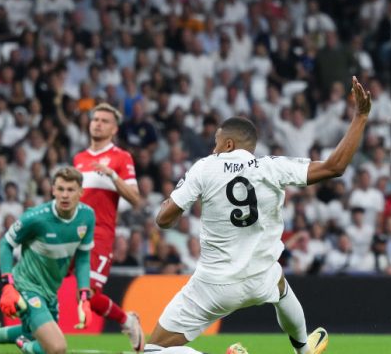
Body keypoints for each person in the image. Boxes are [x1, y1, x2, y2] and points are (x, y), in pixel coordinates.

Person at [144, 76, 372, 354]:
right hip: (260, 277)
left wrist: (173, 201)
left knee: (152, 350)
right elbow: (334, 167)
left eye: (216, 142)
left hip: (214, 284)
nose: (213, 149)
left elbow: (164, 220)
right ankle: (302, 349)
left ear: (228, 145)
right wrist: (360, 116)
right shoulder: (271, 168)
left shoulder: (205, 167)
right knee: (281, 287)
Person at [0, 167, 96, 354]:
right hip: (27, 286)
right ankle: (24, 346)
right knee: (57, 348)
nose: (64, 195)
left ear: (81, 192)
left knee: (32, 332)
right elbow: (5, 243)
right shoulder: (36, 217)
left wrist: (84, 296)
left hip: (50, 291)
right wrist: (7, 284)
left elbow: (83, 256)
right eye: (60, 189)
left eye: (70, 190)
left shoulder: (87, 216)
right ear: (53, 190)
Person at [72, 103, 144, 350]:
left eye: (104, 121)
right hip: (70, 233)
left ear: (113, 129)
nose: (97, 123)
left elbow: (135, 199)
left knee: (90, 296)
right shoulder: (79, 159)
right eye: (95, 119)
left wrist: (112, 176)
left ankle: (127, 321)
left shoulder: (120, 157)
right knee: (43, 280)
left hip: (98, 234)